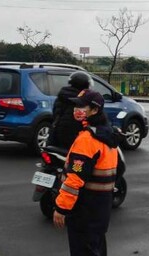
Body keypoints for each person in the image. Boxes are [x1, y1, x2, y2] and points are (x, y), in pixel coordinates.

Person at [53, 89, 119, 256]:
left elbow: (74, 179)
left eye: (82, 106)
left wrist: (61, 208)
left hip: (84, 211)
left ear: (95, 110)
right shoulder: (106, 133)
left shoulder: (87, 140)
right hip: (101, 209)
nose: (76, 110)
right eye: (75, 105)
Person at [47, 71, 93, 149]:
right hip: (74, 140)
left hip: (56, 137)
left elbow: (55, 115)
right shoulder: (82, 101)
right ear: (85, 85)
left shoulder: (61, 97)